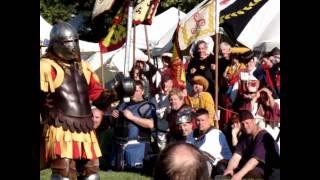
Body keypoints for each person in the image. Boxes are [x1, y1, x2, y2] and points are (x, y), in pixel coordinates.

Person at [40, 22, 107, 180]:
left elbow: (98, 96)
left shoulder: (83, 67)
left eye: (75, 41)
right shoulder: (45, 67)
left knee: (92, 174)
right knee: (64, 173)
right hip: (60, 128)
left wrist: (117, 92)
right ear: (56, 44)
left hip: (85, 128)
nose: (72, 46)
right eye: (67, 42)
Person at [111, 80, 155, 170]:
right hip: (119, 148)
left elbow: (151, 124)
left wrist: (132, 117)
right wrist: (113, 115)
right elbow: (114, 124)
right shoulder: (122, 105)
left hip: (138, 147)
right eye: (132, 91)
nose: (134, 93)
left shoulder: (147, 106)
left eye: (137, 91)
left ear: (142, 91)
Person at [223, 110, 280, 180]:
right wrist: (229, 169)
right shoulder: (244, 136)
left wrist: (238, 175)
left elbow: (254, 161)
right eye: (242, 124)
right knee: (222, 164)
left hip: (267, 170)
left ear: (254, 121)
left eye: (247, 123)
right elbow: (236, 156)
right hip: (251, 166)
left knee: (248, 173)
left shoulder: (262, 136)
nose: (245, 126)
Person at [193, 109, 232, 176]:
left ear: (208, 120)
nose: (200, 123)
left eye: (202, 120)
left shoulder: (215, 133)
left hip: (220, 165)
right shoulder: (193, 133)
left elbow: (208, 154)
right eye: (198, 120)